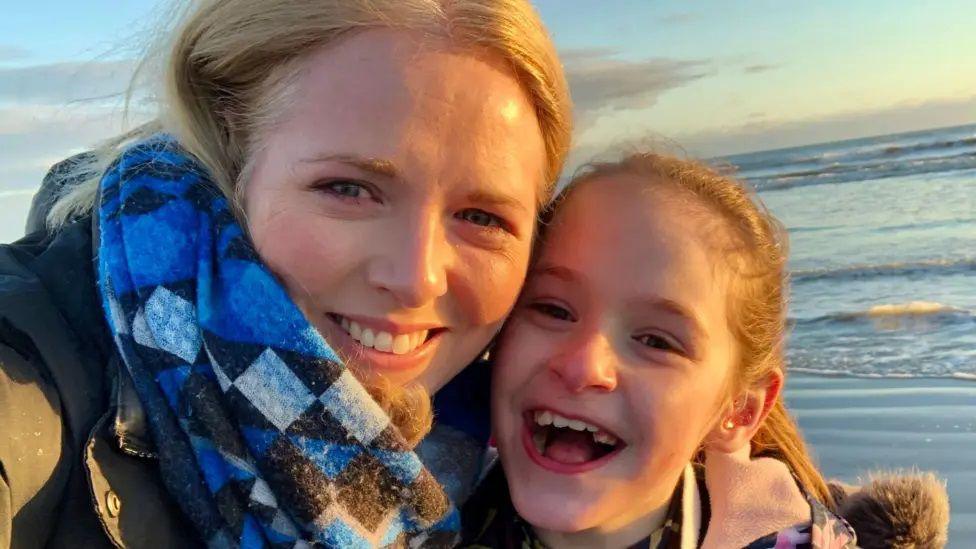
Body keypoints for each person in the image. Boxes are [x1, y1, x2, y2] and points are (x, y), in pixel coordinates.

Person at [0, 0, 572, 547]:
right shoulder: (27, 379)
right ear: (228, 156)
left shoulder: (486, 454)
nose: (417, 279)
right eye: (348, 189)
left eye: (481, 217)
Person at [462, 152, 860, 548]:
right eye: (553, 309)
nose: (583, 365)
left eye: (656, 341)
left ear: (738, 410)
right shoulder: (418, 517)